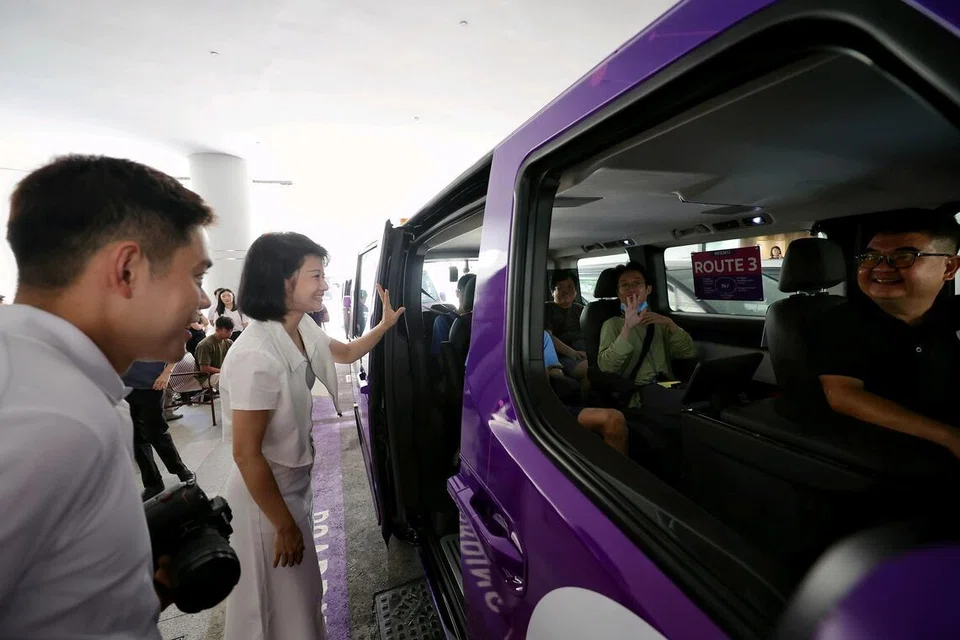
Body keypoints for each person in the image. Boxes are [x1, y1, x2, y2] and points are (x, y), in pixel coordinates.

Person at [0, 155, 214, 637]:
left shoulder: (57, 383)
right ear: (128, 270)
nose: (203, 300)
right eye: (196, 277)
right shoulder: (43, 419)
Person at [219, 232, 404, 639]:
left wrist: (385, 325)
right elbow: (247, 454)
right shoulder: (256, 355)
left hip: (291, 487)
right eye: (315, 275)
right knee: (272, 610)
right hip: (264, 503)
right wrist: (284, 525)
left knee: (300, 601)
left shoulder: (299, 326)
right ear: (282, 281)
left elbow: (350, 352)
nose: (324, 284)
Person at [812, 208, 960, 459]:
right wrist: (950, 437)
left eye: (903, 256)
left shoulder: (952, 312)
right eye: (870, 257)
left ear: (949, 268)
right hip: (885, 456)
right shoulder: (841, 321)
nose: (880, 268)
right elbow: (843, 395)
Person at [597, 262, 697, 408]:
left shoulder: (658, 321)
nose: (631, 289)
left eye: (637, 284)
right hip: (639, 392)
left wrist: (671, 325)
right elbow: (607, 367)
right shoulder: (612, 325)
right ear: (618, 293)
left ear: (648, 289)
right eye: (625, 285)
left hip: (668, 385)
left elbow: (688, 353)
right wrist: (627, 328)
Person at [544, 331, 628, 453]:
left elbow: (556, 372)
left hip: (550, 402)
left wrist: (549, 372)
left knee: (614, 420)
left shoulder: (541, 337)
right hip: (527, 409)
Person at [122, 360, 195, 500]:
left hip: (152, 384)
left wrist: (167, 373)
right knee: (134, 438)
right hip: (123, 387)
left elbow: (176, 347)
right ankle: (152, 482)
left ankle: (180, 469)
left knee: (156, 432)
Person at [545, 270, 588, 380]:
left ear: (576, 291)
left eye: (570, 287)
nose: (566, 291)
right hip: (564, 356)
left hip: (584, 352)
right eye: (560, 287)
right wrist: (573, 353)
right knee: (589, 370)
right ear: (552, 292)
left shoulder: (581, 309)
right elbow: (548, 337)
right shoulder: (548, 309)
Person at [430, 272, 476, 357]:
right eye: (470, 293)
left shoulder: (485, 320)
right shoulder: (443, 321)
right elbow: (441, 357)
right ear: (457, 293)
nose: (474, 298)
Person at [195, 315, 234, 390]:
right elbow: (204, 369)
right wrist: (224, 371)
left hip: (220, 373)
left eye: (231, 331)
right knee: (228, 379)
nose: (230, 333)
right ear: (217, 329)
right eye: (227, 331)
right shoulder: (205, 345)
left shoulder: (229, 342)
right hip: (206, 377)